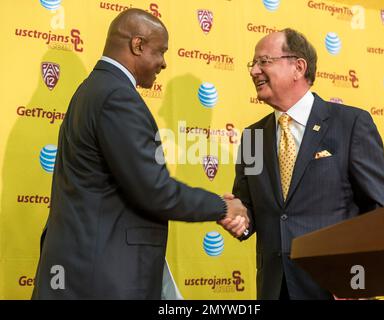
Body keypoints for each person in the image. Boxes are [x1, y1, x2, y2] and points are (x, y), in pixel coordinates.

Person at [32, 9, 248, 300]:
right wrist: (222, 207)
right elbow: (154, 190)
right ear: (138, 45)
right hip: (102, 275)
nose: (163, 63)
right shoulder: (116, 97)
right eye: (160, 52)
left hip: (85, 266)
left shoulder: (92, 90)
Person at [220, 28, 384, 300]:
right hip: (274, 289)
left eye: (264, 61)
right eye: (253, 64)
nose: (254, 71)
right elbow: (249, 207)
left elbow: (380, 213)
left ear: (298, 67)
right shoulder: (252, 137)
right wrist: (237, 215)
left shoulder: (351, 124)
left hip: (336, 288)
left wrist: (359, 278)